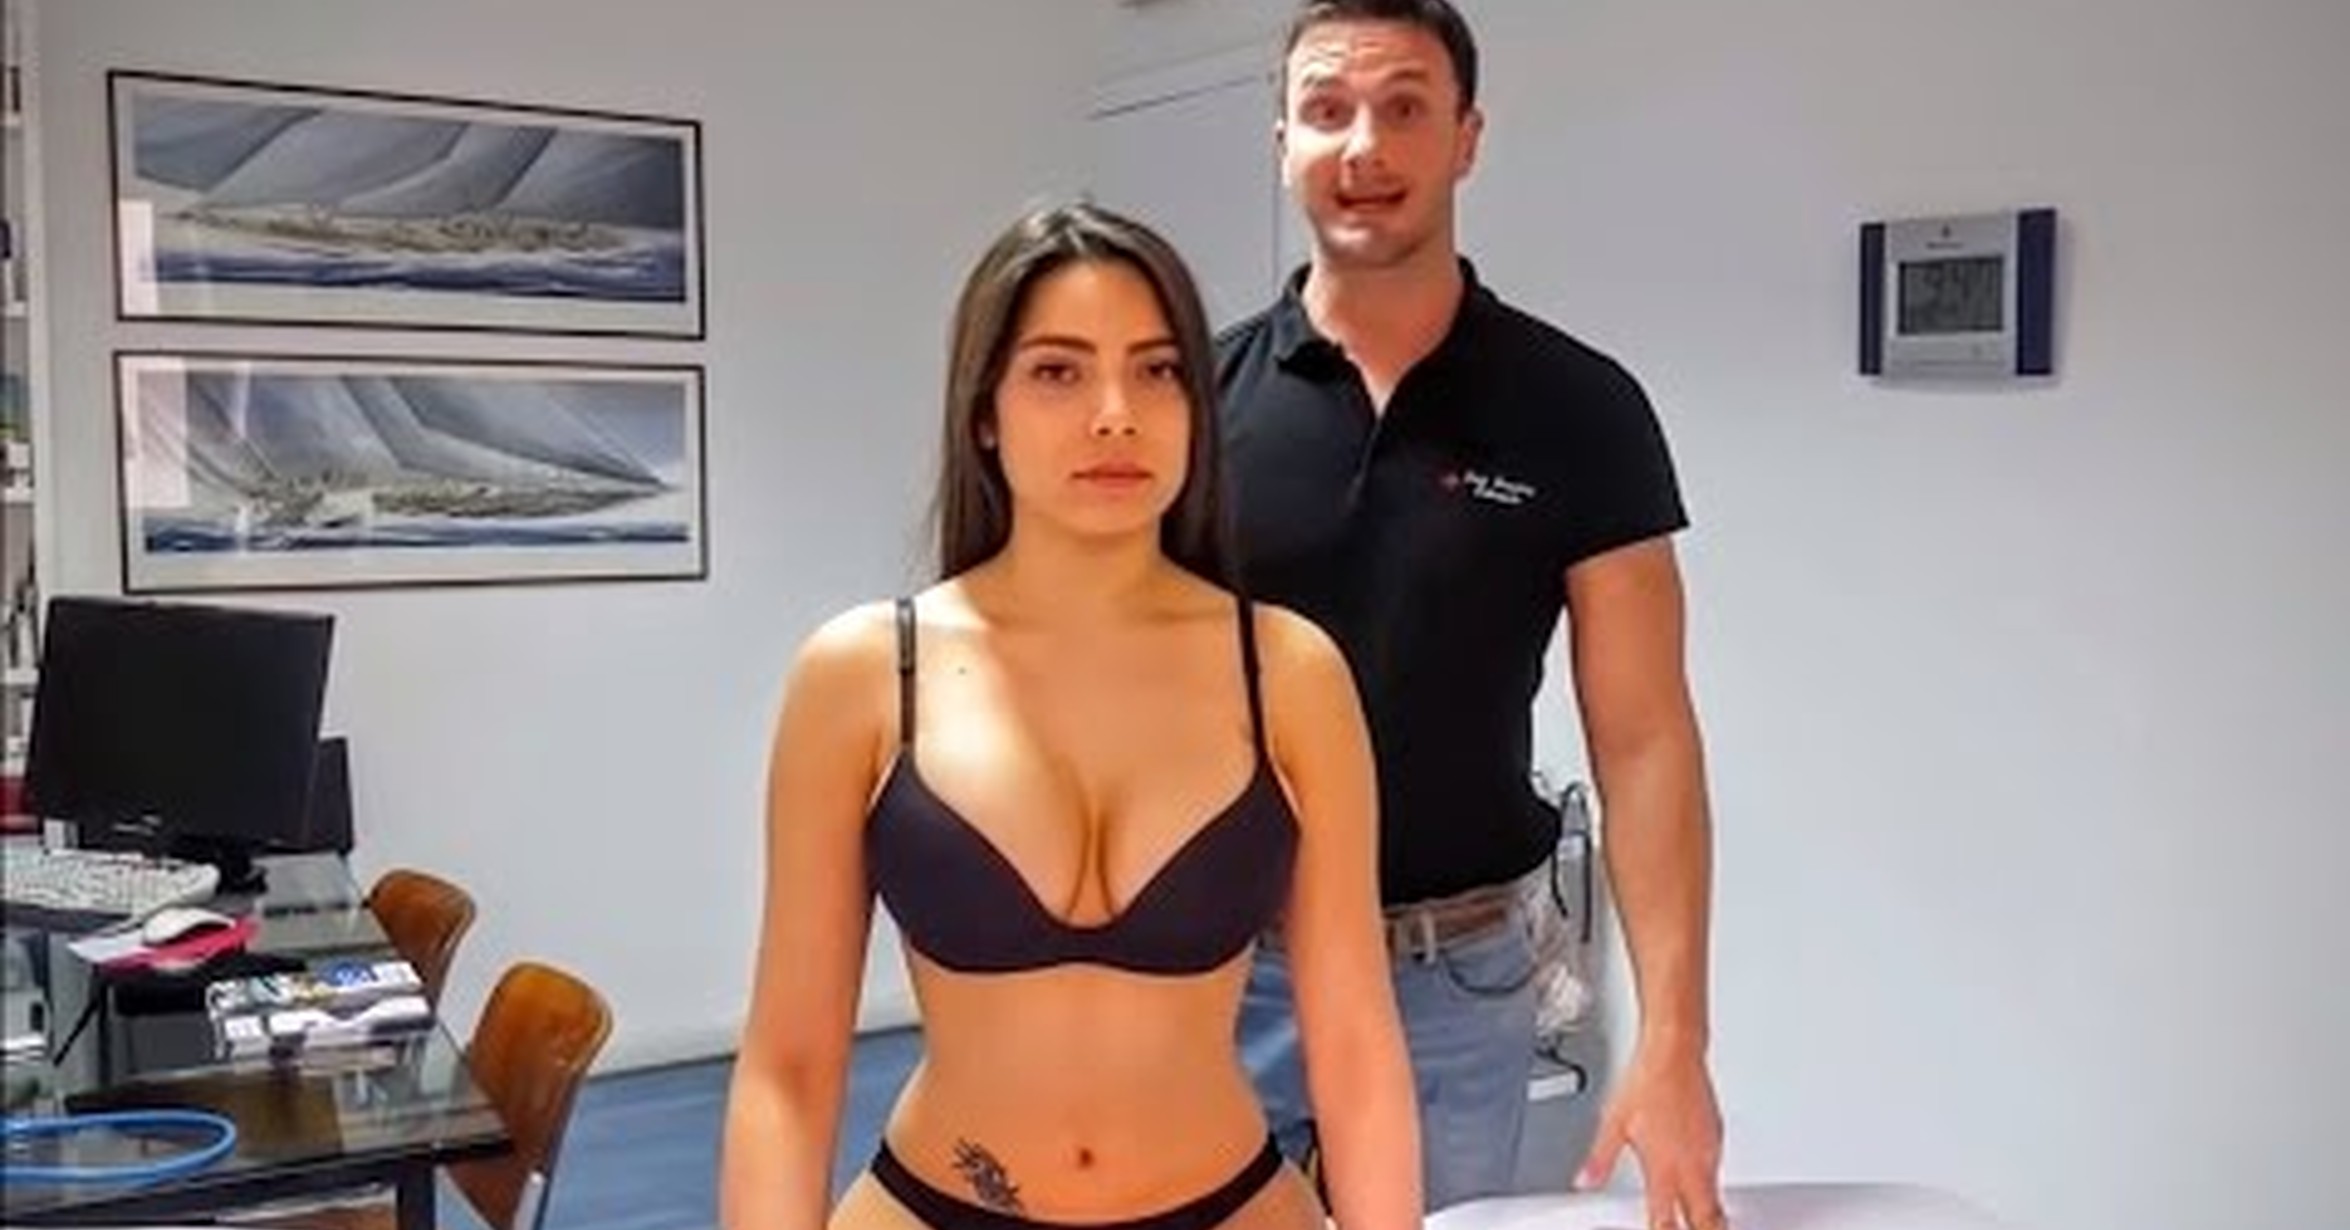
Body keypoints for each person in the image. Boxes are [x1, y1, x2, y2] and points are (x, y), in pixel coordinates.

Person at [719, 202, 1421, 1230]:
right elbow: (788, 1065)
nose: (1114, 414)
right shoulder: (865, 676)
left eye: (1157, 370)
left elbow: (1355, 1046)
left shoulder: (1287, 673)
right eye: (1058, 371)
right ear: (984, 411)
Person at [1217, 2, 1727, 1227]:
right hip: (1225, 975)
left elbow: (1645, 739)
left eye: (1404, 107)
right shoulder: (1192, 403)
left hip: (1453, 981)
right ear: (1283, 142)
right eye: (1327, 110)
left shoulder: (1578, 407)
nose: (1364, 146)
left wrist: (1675, 1037)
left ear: (1466, 138)